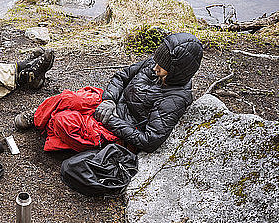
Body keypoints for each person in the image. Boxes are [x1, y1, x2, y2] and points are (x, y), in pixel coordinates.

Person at [14, 32, 203, 153]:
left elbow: (150, 141)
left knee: (64, 121)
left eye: (161, 67)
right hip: (109, 102)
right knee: (69, 98)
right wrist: (109, 100)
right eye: (156, 62)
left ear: (177, 70)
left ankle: (50, 119)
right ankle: (38, 117)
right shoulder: (155, 64)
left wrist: (110, 119)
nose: (154, 68)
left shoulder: (176, 98)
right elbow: (121, 77)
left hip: (120, 127)